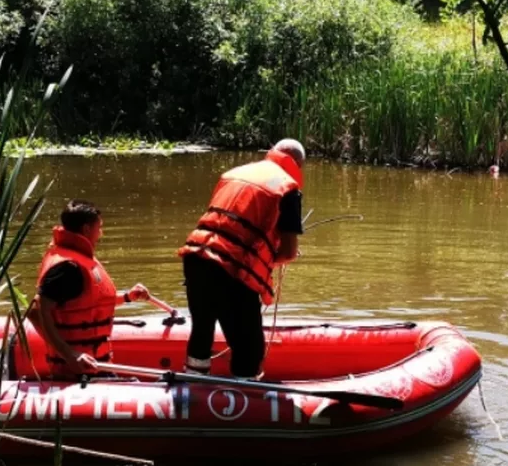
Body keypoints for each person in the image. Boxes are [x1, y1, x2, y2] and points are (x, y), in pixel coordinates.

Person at [177, 138, 306, 379]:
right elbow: (288, 252)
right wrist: (272, 257)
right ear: (297, 165)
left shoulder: (234, 173)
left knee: (202, 330)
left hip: (196, 255)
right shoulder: (288, 189)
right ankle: (247, 395)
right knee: (250, 348)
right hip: (232, 268)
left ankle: (193, 388)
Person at [23, 199, 149, 378]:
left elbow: (87, 304)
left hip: (96, 365)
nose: (101, 233)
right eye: (99, 227)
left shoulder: (75, 258)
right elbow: (36, 311)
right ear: (87, 229)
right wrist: (69, 354)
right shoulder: (68, 268)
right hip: (79, 370)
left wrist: (128, 297)